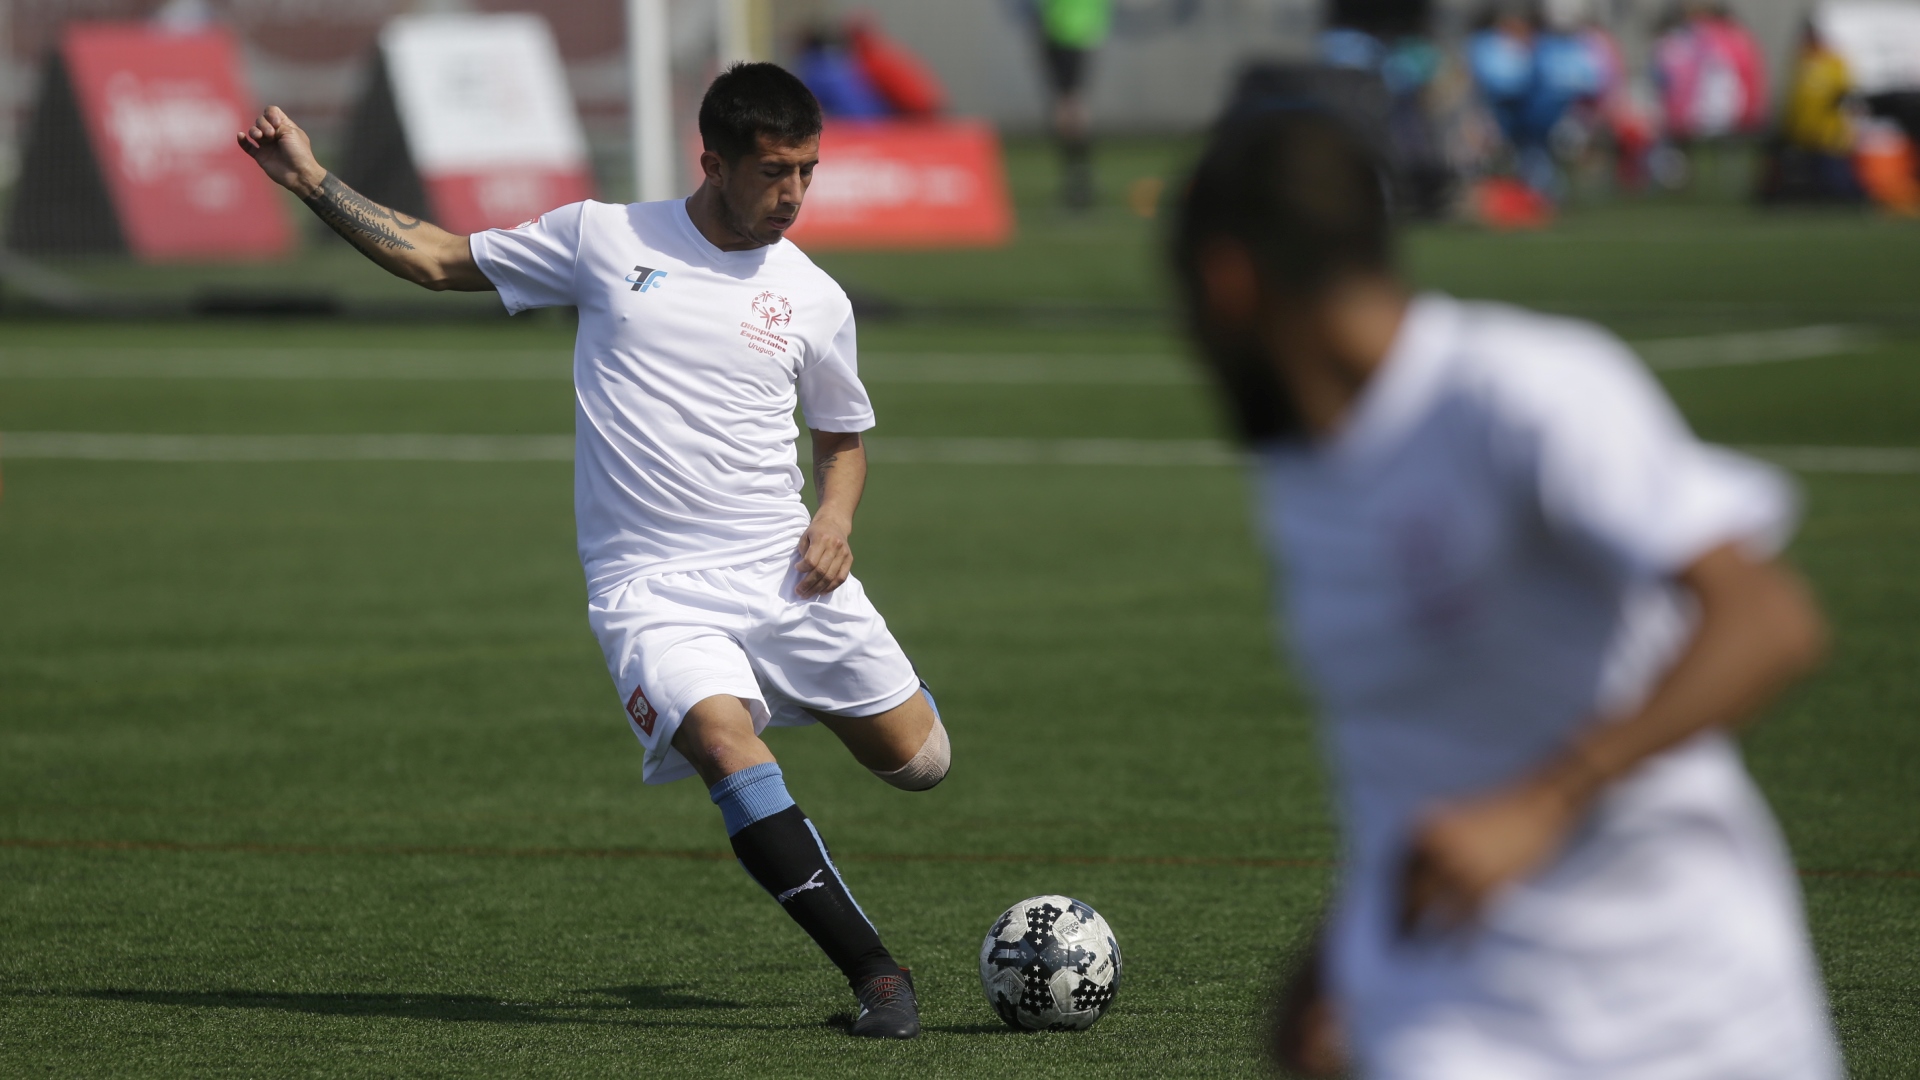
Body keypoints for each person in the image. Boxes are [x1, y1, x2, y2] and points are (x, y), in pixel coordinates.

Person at [235, 62, 945, 1040]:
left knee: (920, 764)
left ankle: (795, 688)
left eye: (808, 172)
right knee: (722, 743)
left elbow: (842, 438)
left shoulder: (816, 297)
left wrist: (835, 521)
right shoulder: (604, 239)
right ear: (713, 160)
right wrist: (313, 183)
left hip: (784, 574)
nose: (793, 193)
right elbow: (441, 259)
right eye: (775, 170)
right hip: (650, 591)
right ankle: (877, 977)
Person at [1171, 110, 1842, 1079]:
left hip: (1694, 1011)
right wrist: (1336, 960)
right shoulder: (1299, 476)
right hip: (1453, 1023)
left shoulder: (1523, 391)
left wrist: (1544, 803)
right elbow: (1413, 767)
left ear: (1228, 281)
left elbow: (1770, 621)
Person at [1032, 0, 1111, 209]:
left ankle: (1079, 181)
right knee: (1066, 105)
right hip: (1060, 24)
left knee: (1069, 105)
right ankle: (1077, 177)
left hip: (1072, 27)